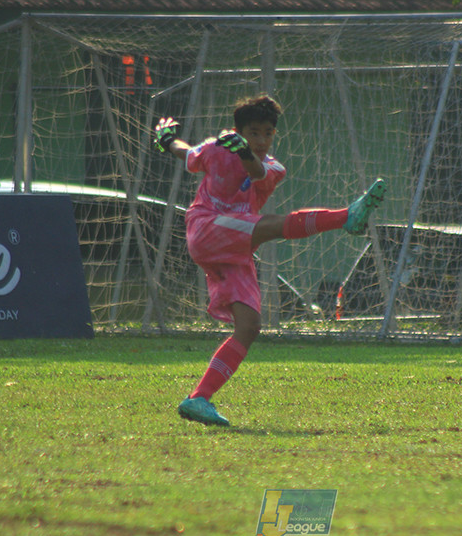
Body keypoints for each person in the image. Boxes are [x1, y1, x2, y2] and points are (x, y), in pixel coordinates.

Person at [156, 95, 386, 427]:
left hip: (233, 245)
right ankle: (345, 217)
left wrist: (244, 151)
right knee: (271, 226)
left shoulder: (274, 168)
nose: (262, 141)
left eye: (268, 133)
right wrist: (167, 141)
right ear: (239, 130)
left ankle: (198, 398)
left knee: (249, 327)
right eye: (254, 133)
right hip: (206, 228)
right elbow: (187, 152)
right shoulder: (216, 149)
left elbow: (256, 169)